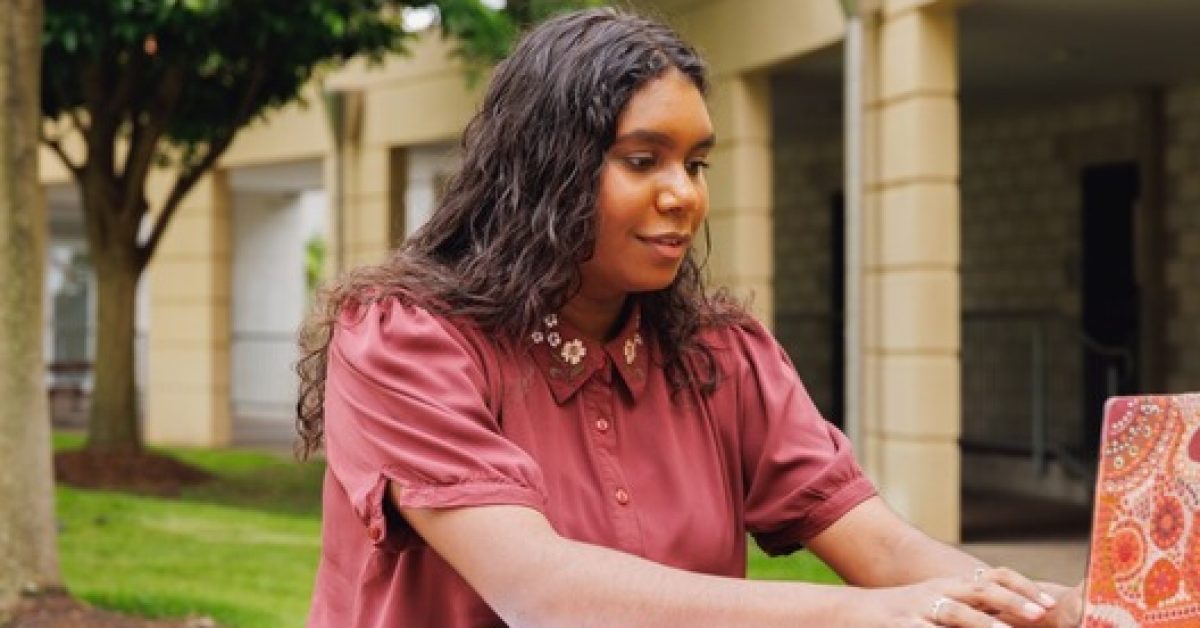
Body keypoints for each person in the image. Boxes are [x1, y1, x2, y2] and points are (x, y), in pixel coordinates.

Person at [296, 8, 1082, 627]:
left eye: (696, 162)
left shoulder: (719, 355)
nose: (685, 194)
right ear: (542, 171)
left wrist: (1053, 609)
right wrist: (863, 615)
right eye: (643, 160)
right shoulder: (406, 339)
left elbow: (878, 545)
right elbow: (542, 592)